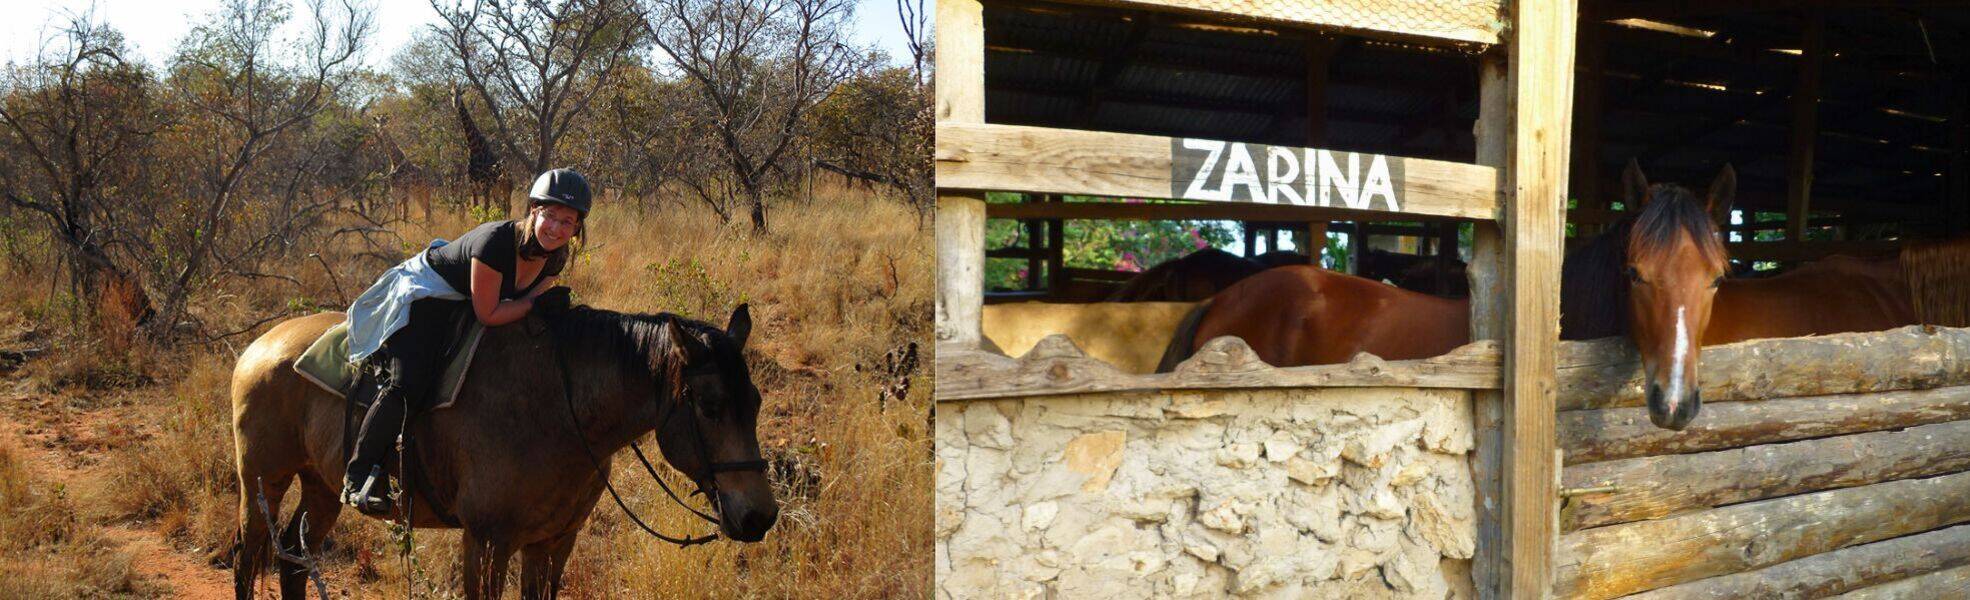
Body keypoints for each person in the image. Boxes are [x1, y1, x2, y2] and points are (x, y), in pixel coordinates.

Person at [338, 168, 591, 514]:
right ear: (533, 209)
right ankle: (358, 475)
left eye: (568, 222)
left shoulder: (556, 256)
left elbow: (519, 308)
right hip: (430, 295)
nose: (557, 228)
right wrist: (534, 304)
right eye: (550, 216)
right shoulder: (495, 243)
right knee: (408, 383)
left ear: (577, 228)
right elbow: (489, 312)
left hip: (470, 302)